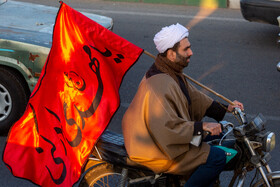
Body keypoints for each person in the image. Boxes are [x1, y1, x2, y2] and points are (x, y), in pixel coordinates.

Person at [122, 23, 243, 187]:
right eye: (186, 49)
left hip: (164, 139)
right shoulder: (159, 84)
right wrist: (202, 127)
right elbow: (167, 128)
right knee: (217, 157)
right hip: (156, 147)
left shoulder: (169, 71)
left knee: (219, 135)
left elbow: (193, 97)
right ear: (171, 54)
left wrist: (225, 107)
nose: (191, 52)